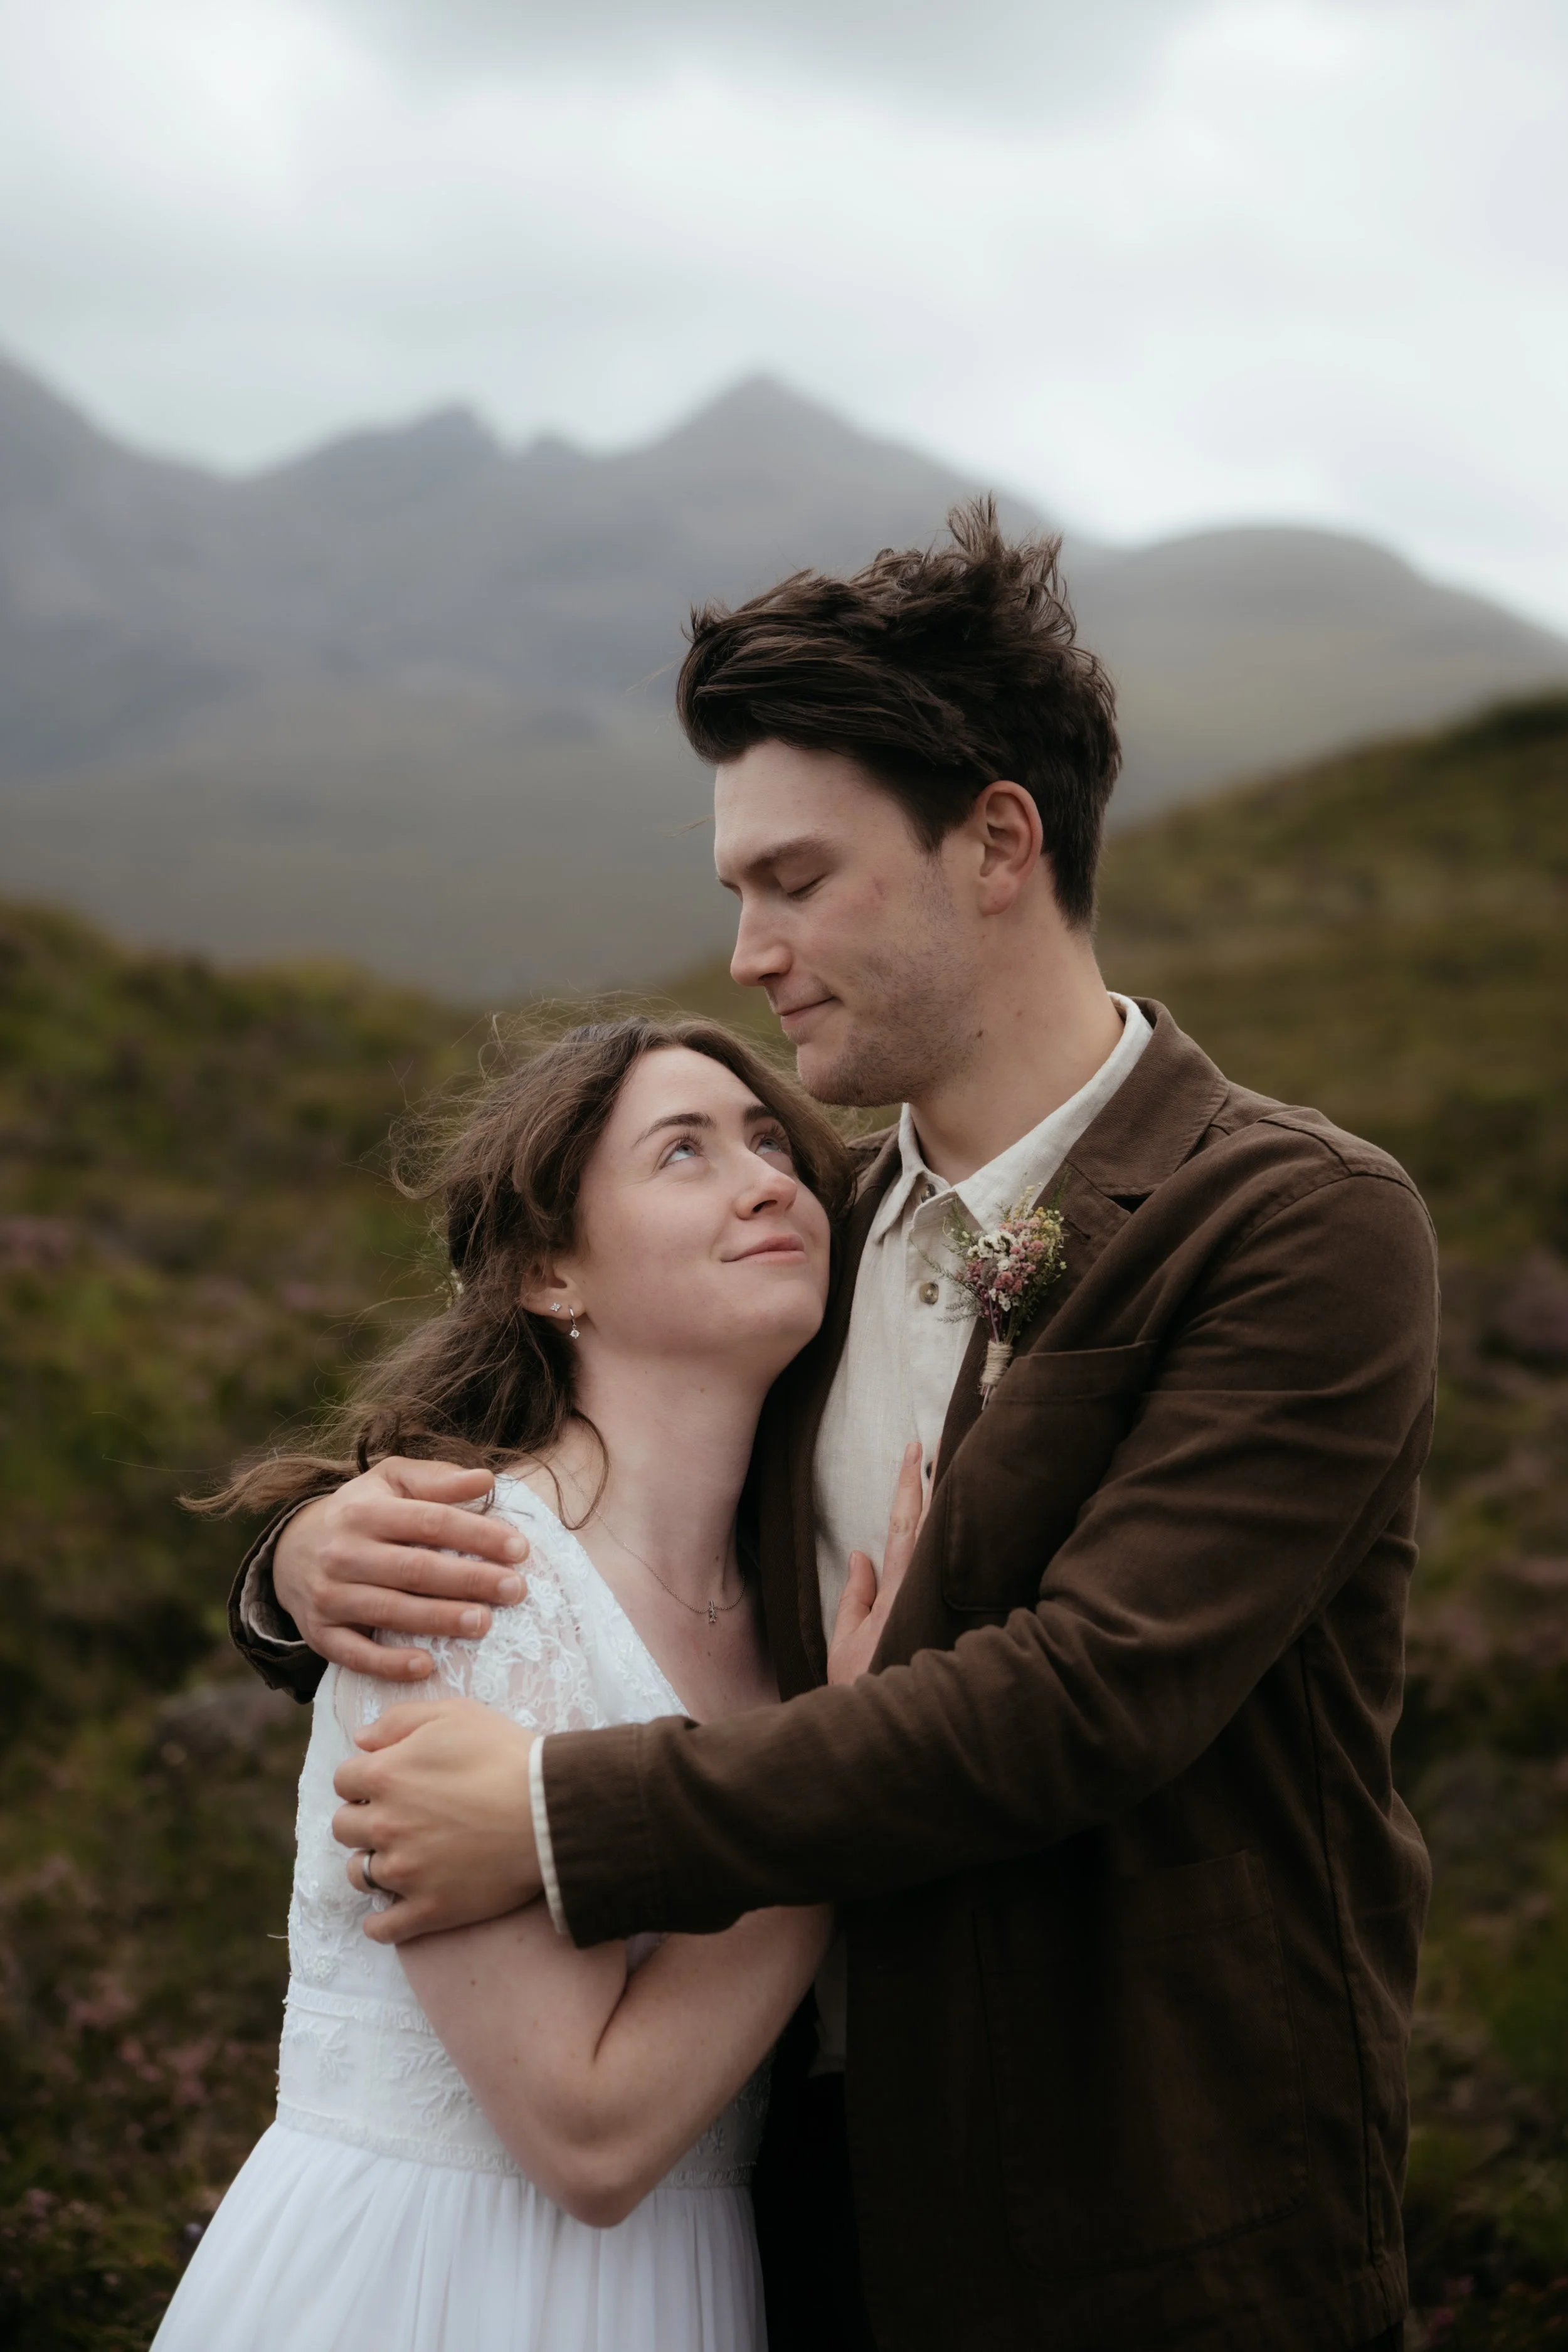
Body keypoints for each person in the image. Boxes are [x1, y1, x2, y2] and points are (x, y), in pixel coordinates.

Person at [233, 504, 1438, 2352]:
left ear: (996, 844)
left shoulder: (1292, 1221)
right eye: (735, 892)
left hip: (1147, 2215)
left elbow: (1081, 1692)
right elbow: (598, 1488)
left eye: (792, 880)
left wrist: (558, 1814)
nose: (746, 952)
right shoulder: (807, 1235)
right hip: (793, 2221)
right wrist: (297, 1564)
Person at [155, 1014, 896, 2352]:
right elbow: (588, 2133)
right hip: (432, 2288)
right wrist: (843, 1777)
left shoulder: (790, 1599)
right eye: (684, 1152)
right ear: (551, 1273)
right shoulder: (461, 1580)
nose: (766, 1178)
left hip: (697, 2283)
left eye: (771, 1139)